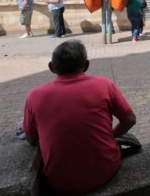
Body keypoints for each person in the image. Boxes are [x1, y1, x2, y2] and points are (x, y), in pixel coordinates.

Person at [22, 41, 136, 194]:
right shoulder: (105, 85)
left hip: (59, 180)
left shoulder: (35, 96)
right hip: (106, 168)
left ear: (51, 67)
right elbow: (130, 119)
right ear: (86, 65)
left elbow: (31, 139)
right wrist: (111, 135)